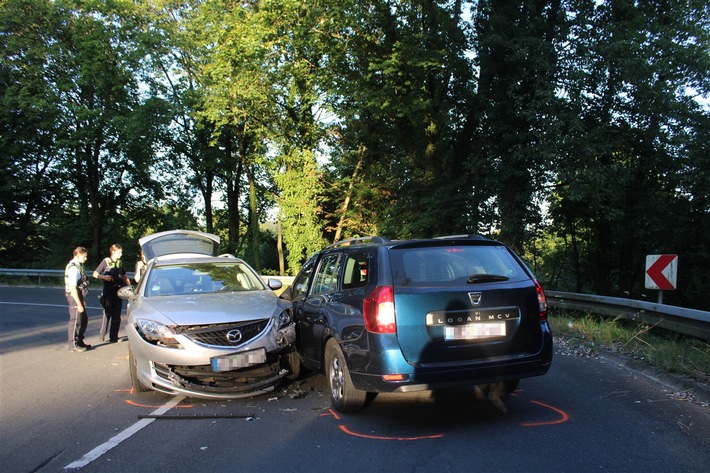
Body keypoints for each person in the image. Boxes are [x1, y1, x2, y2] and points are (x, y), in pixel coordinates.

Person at [93, 244, 130, 343]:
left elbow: (125, 276)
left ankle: (114, 337)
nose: (121, 254)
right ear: (113, 251)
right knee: (107, 313)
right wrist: (104, 277)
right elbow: (95, 274)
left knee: (117, 314)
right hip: (108, 291)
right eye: (119, 252)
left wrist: (130, 287)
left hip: (117, 291)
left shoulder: (120, 263)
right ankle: (102, 334)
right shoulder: (106, 261)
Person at [65, 247, 91, 352]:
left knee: (83, 319)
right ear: (78, 255)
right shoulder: (73, 269)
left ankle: (80, 340)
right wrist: (78, 303)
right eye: (84, 256)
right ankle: (73, 345)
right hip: (73, 295)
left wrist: (82, 301)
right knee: (76, 320)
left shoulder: (78, 266)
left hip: (78, 295)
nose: (86, 258)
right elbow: (72, 287)